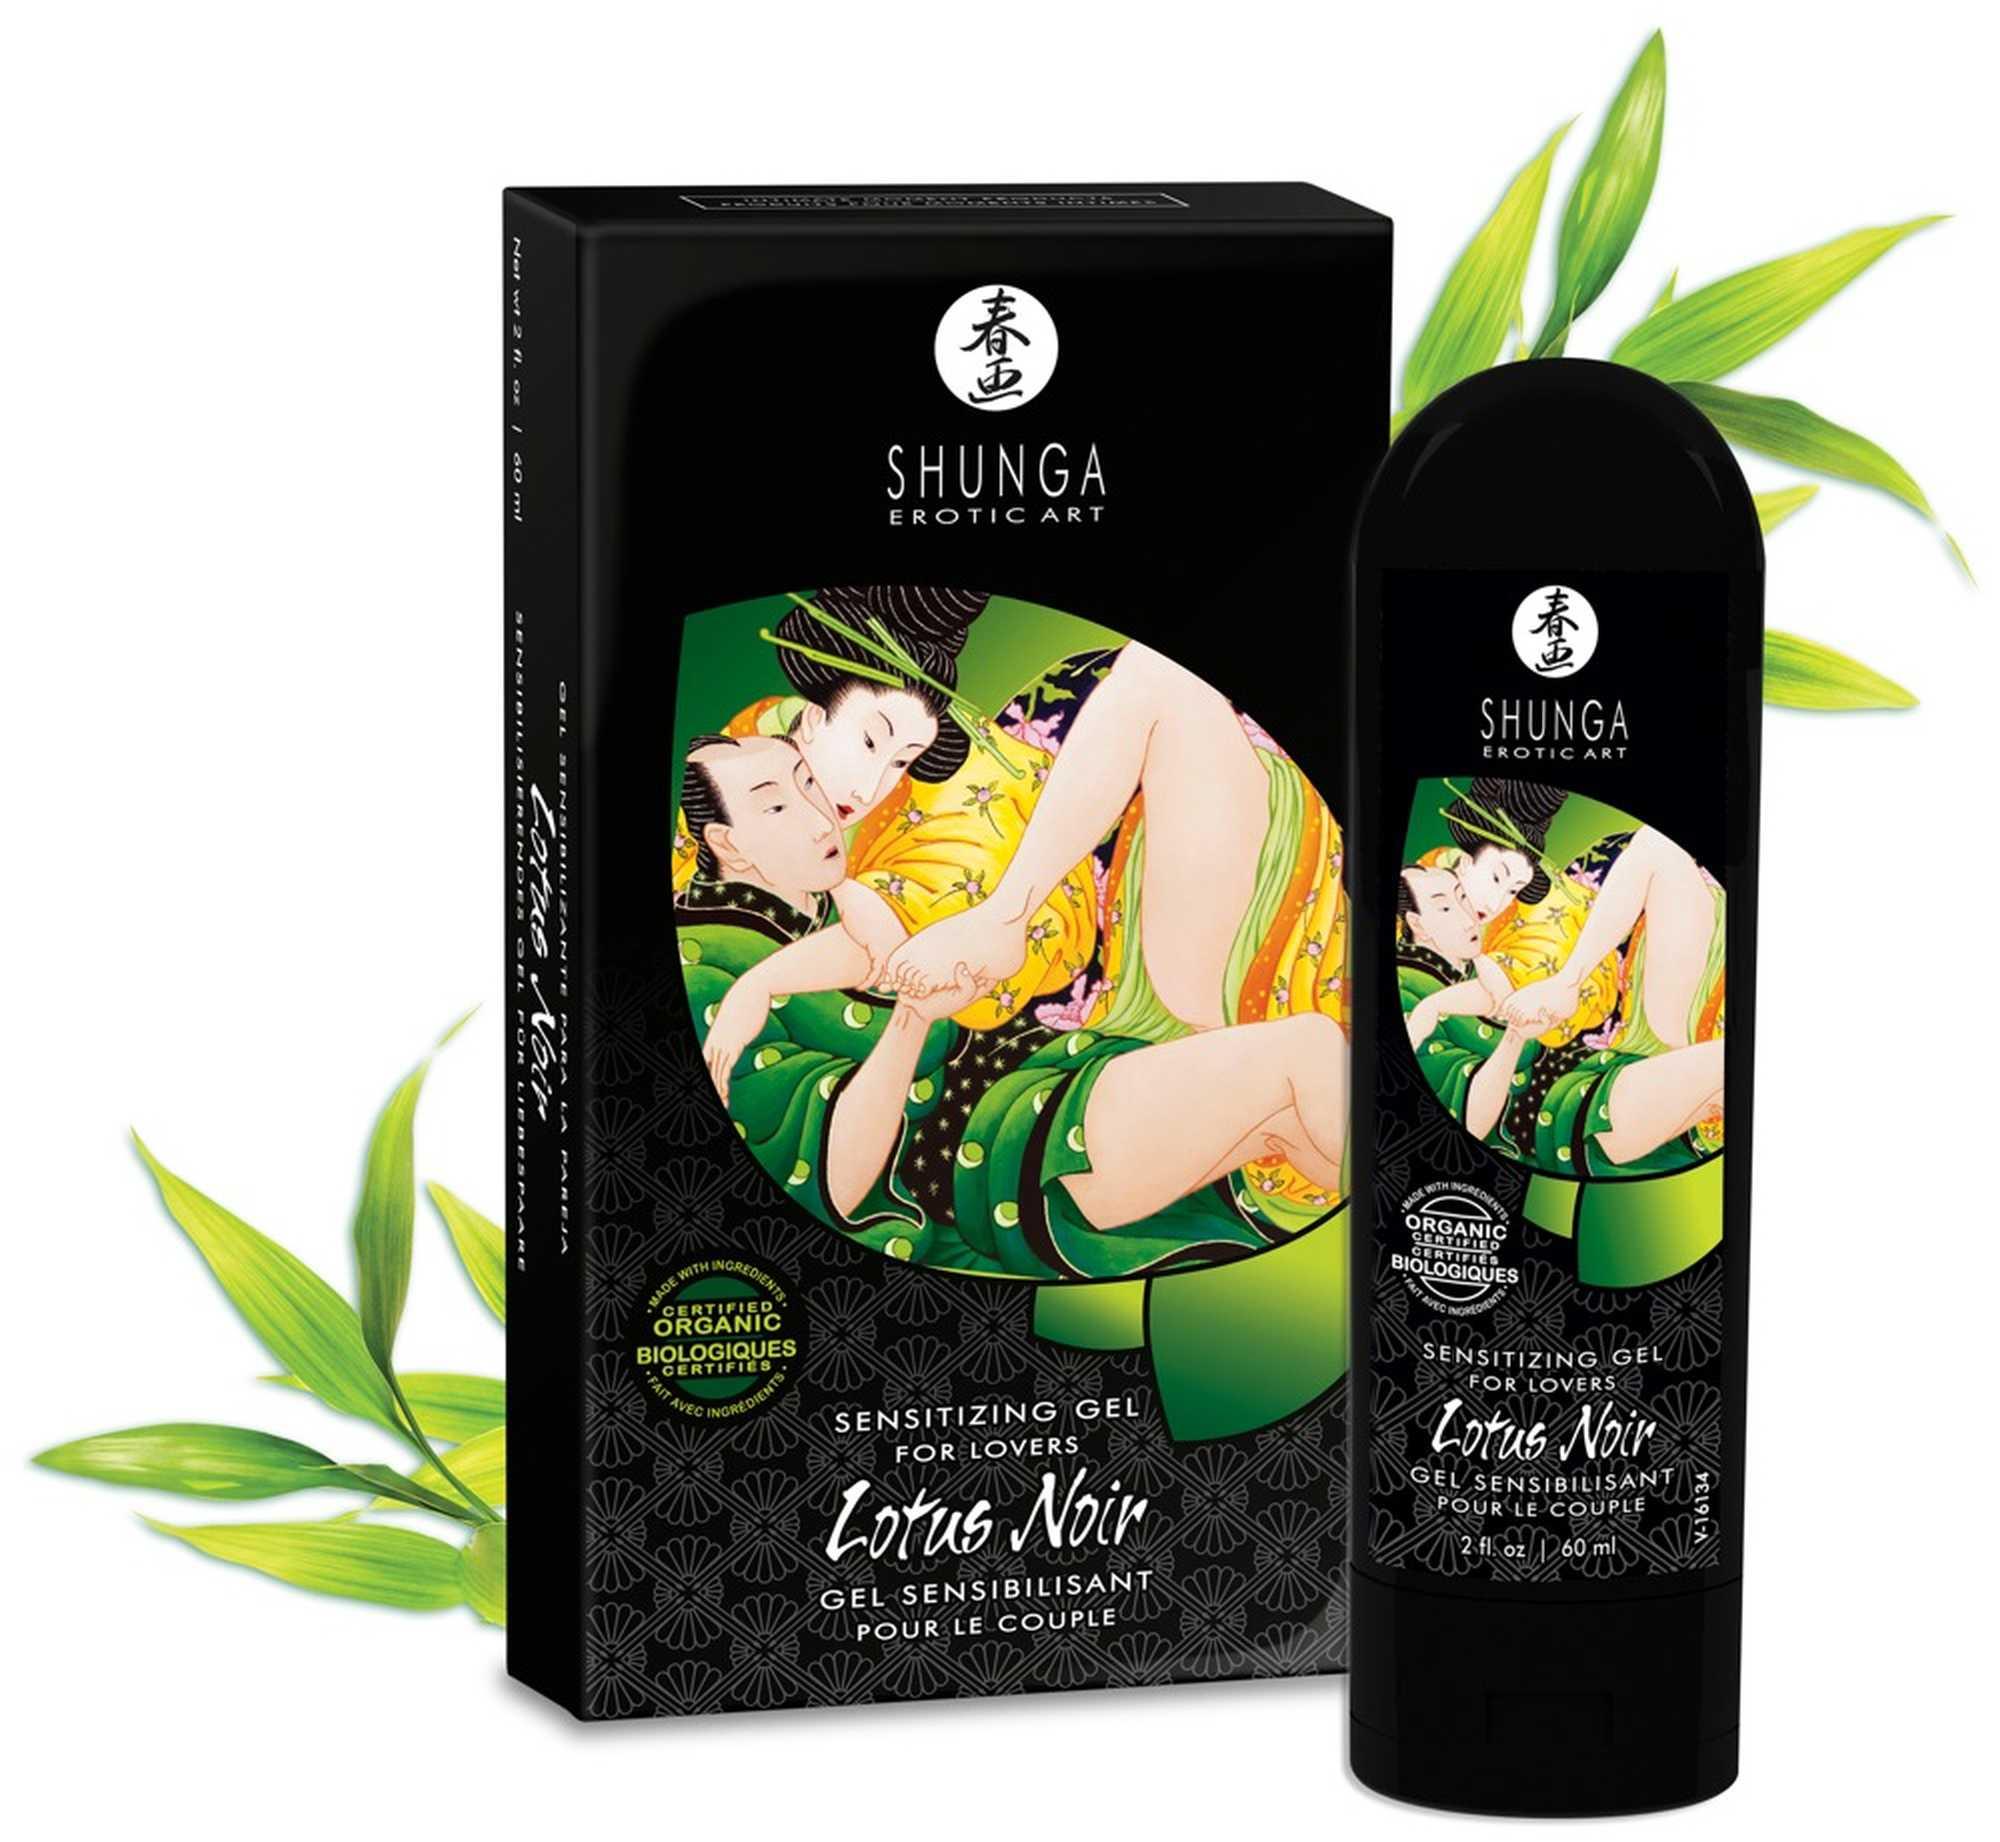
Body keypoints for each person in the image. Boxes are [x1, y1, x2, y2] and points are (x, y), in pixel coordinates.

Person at [675, 729, 1346, 1280]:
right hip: (994, 1152)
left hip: (1038, 1077)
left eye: (808, 783)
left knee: (1292, 1124)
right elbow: (837, 1185)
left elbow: (884, 951)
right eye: (776, 807)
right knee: (1308, 1050)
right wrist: (913, 1017)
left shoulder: (837, 904)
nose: (819, 815)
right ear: (727, 842)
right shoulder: (706, 964)